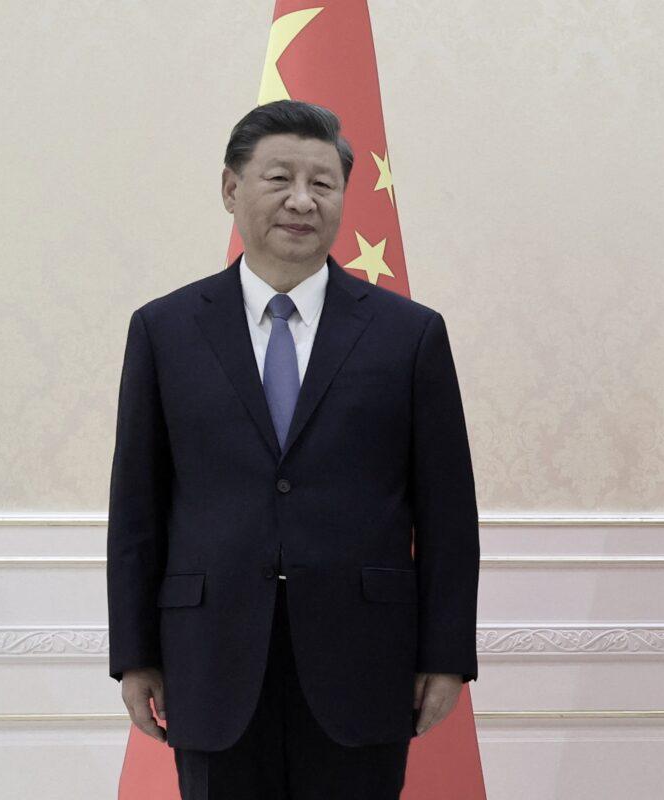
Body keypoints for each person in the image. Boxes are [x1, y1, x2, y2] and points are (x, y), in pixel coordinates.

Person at [106, 100, 479, 799]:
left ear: (343, 196)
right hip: (210, 657)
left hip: (364, 659)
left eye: (324, 183)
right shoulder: (165, 330)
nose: (302, 201)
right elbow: (137, 509)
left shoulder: (409, 335)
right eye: (279, 179)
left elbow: (447, 513)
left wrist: (447, 655)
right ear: (231, 189)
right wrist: (134, 655)